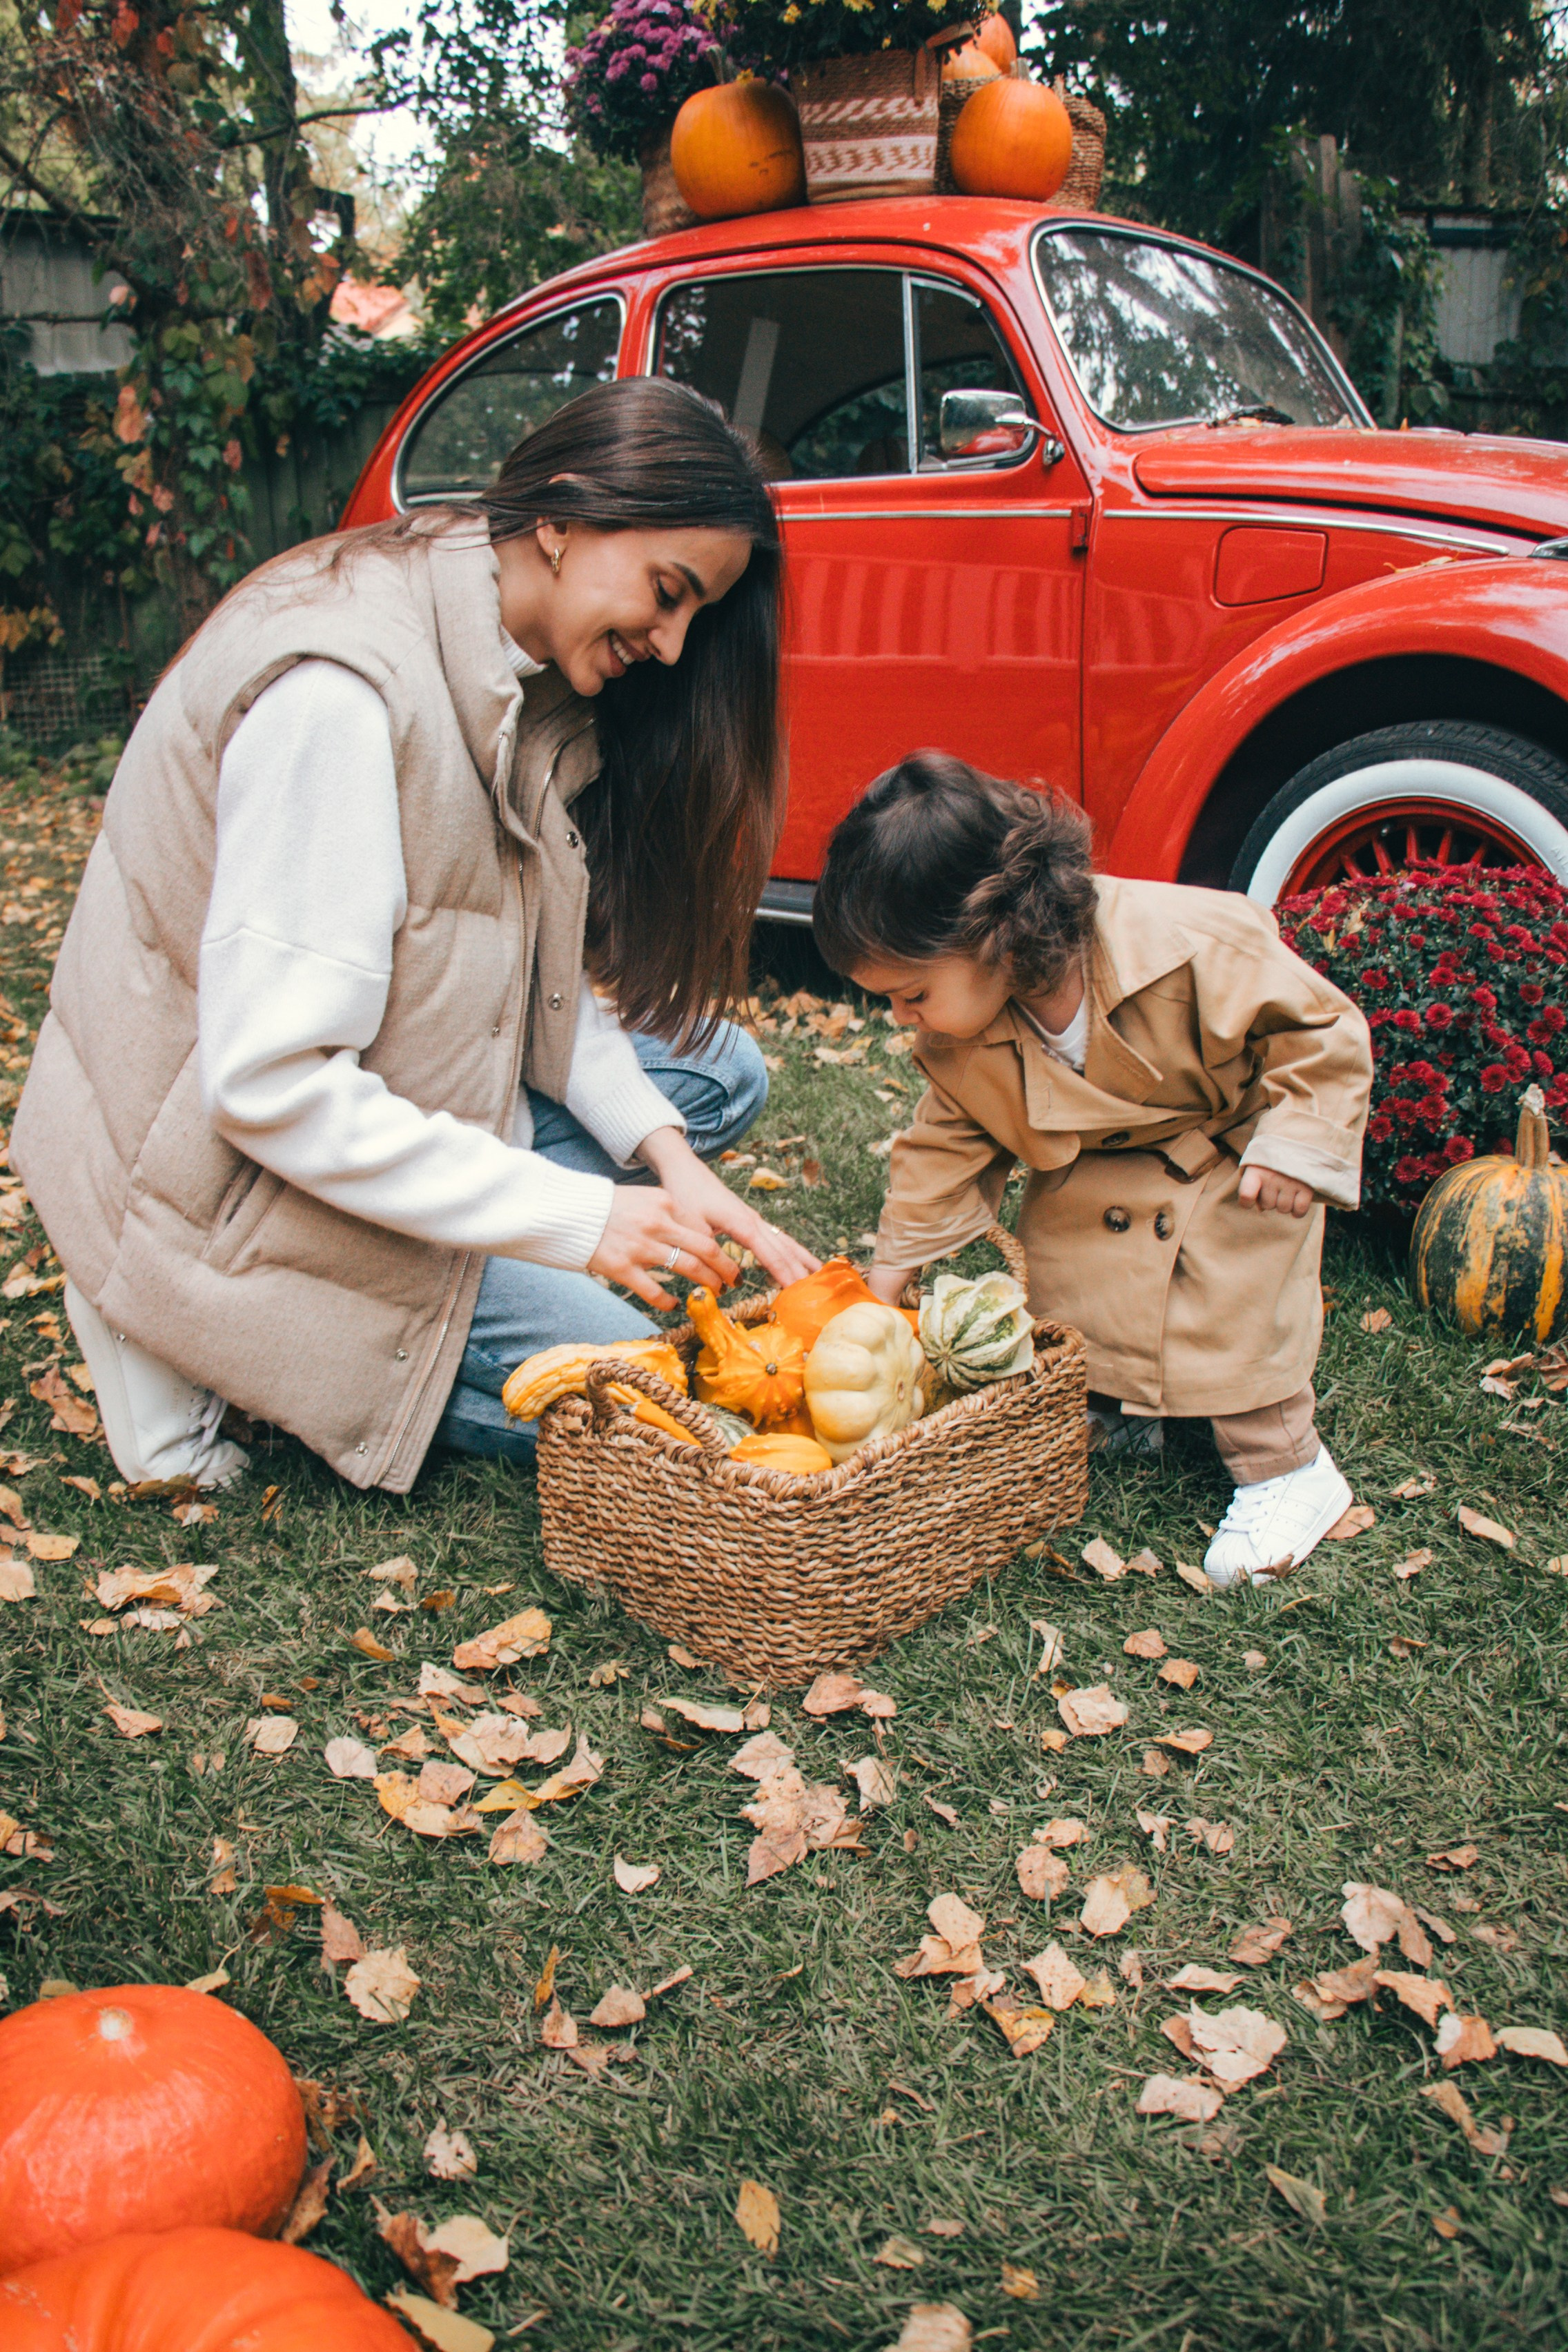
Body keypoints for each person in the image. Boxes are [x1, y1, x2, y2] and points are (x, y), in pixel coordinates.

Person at [12, 377, 816, 1492]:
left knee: (712, 1077)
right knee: (656, 1400)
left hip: (382, 1097)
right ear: (561, 517)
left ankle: (435, 1253)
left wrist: (671, 1167)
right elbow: (270, 1086)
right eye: (668, 592)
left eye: (697, 615)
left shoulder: (510, 661)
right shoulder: (341, 696)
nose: (677, 648)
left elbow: (541, 976)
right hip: (225, 1182)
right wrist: (578, 1218)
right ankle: (163, 1313)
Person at [810, 753, 1373, 1589]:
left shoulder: (1188, 944)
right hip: (1092, 1179)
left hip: (1226, 1167)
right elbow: (943, 1144)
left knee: (1233, 1319)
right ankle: (1116, 1407)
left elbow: (1321, 1031)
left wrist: (1295, 1143)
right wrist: (888, 1277)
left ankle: (1288, 1469)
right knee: (1073, 1294)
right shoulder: (965, 1033)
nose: (901, 1017)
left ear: (990, 930)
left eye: (911, 993)